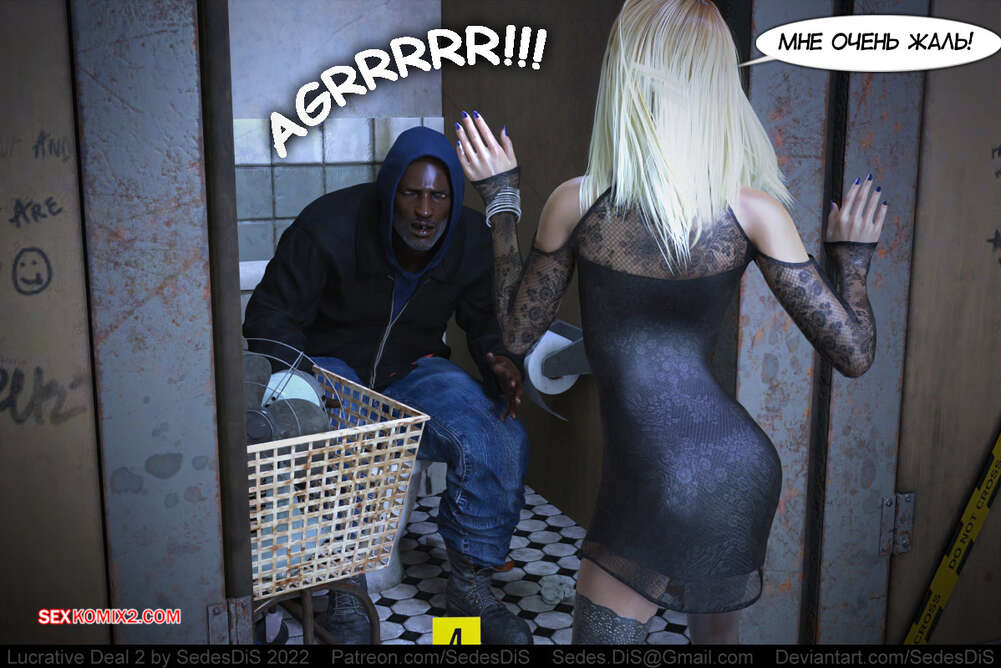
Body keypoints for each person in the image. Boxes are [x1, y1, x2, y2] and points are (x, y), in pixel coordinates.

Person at [454, 0, 887, 645]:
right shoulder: (754, 210)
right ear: (716, 83)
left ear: (625, 76)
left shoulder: (578, 201)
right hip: (741, 469)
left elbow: (517, 337)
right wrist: (852, 259)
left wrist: (501, 203)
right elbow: (854, 353)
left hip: (659, 475)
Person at [243, 126, 533, 645]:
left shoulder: (469, 239)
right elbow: (269, 315)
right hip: (330, 367)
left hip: (412, 369)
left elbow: (485, 320)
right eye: (411, 193)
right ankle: (343, 586)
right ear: (389, 188)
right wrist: (302, 382)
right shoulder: (327, 225)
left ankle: (470, 590)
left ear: (454, 200)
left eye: (438, 197)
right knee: (343, 443)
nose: (424, 210)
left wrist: (500, 361)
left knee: (497, 434)